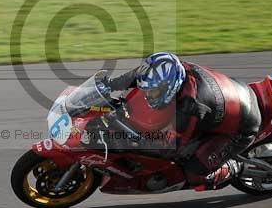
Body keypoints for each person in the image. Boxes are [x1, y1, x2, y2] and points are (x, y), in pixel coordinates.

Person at [107, 52, 261, 189]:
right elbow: (137, 76)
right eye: (147, 90)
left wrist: (130, 140)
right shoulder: (173, 69)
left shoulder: (190, 108)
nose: (148, 95)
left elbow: (170, 148)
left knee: (194, 171)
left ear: (170, 87)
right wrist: (109, 85)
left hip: (241, 128)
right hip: (234, 94)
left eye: (153, 91)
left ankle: (236, 167)